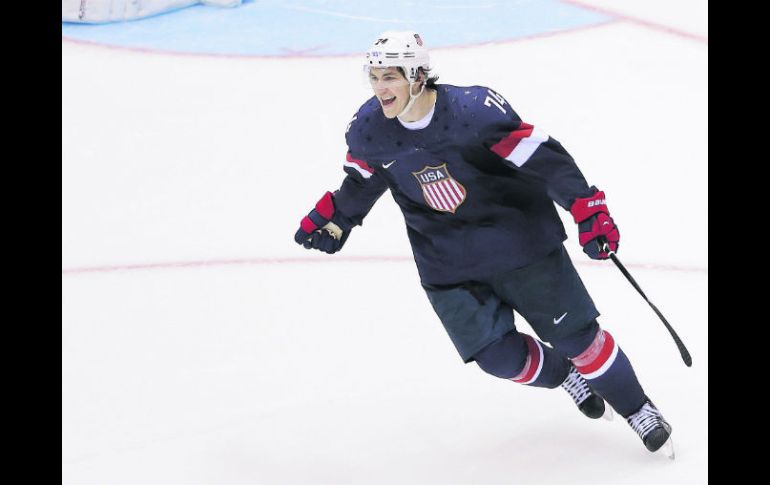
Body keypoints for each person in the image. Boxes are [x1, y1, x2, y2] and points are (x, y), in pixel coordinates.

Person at [294, 31, 673, 456]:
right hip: (446, 260)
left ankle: (639, 409)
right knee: (498, 358)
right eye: (375, 77)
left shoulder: (473, 112)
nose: (380, 87)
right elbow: (363, 180)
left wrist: (587, 207)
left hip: (519, 243)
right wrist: (337, 216)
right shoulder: (370, 129)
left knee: (579, 340)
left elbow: (544, 159)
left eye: (390, 76)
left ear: (418, 75)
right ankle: (566, 376)